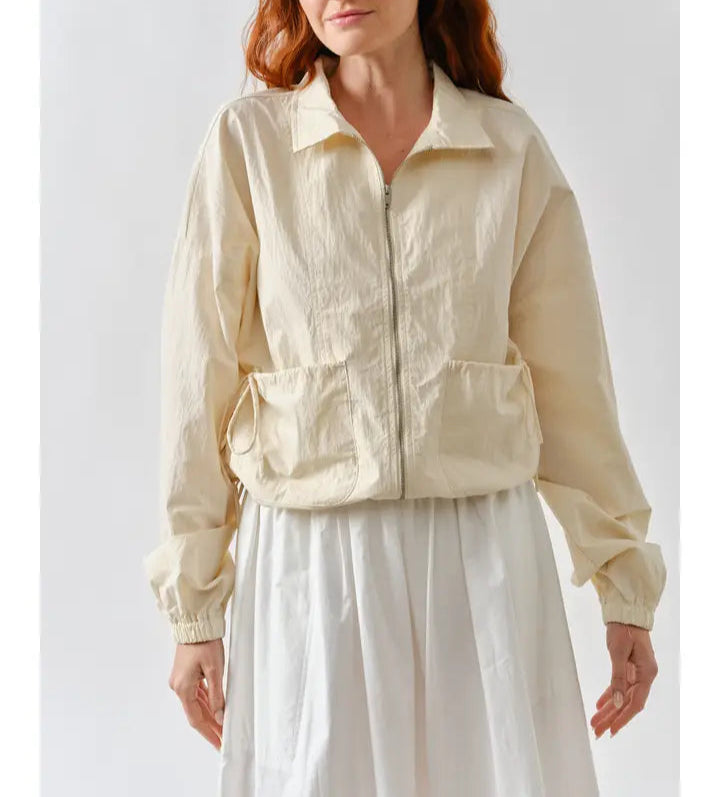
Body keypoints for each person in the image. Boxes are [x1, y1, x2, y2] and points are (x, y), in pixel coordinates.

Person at [142, 1, 668, 794]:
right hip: (312, 568)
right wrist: (194, 610)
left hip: (482, 562)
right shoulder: (249, 147)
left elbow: (574, 390)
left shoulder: (508, 149)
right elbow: (197, 386)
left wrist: (623, 583)